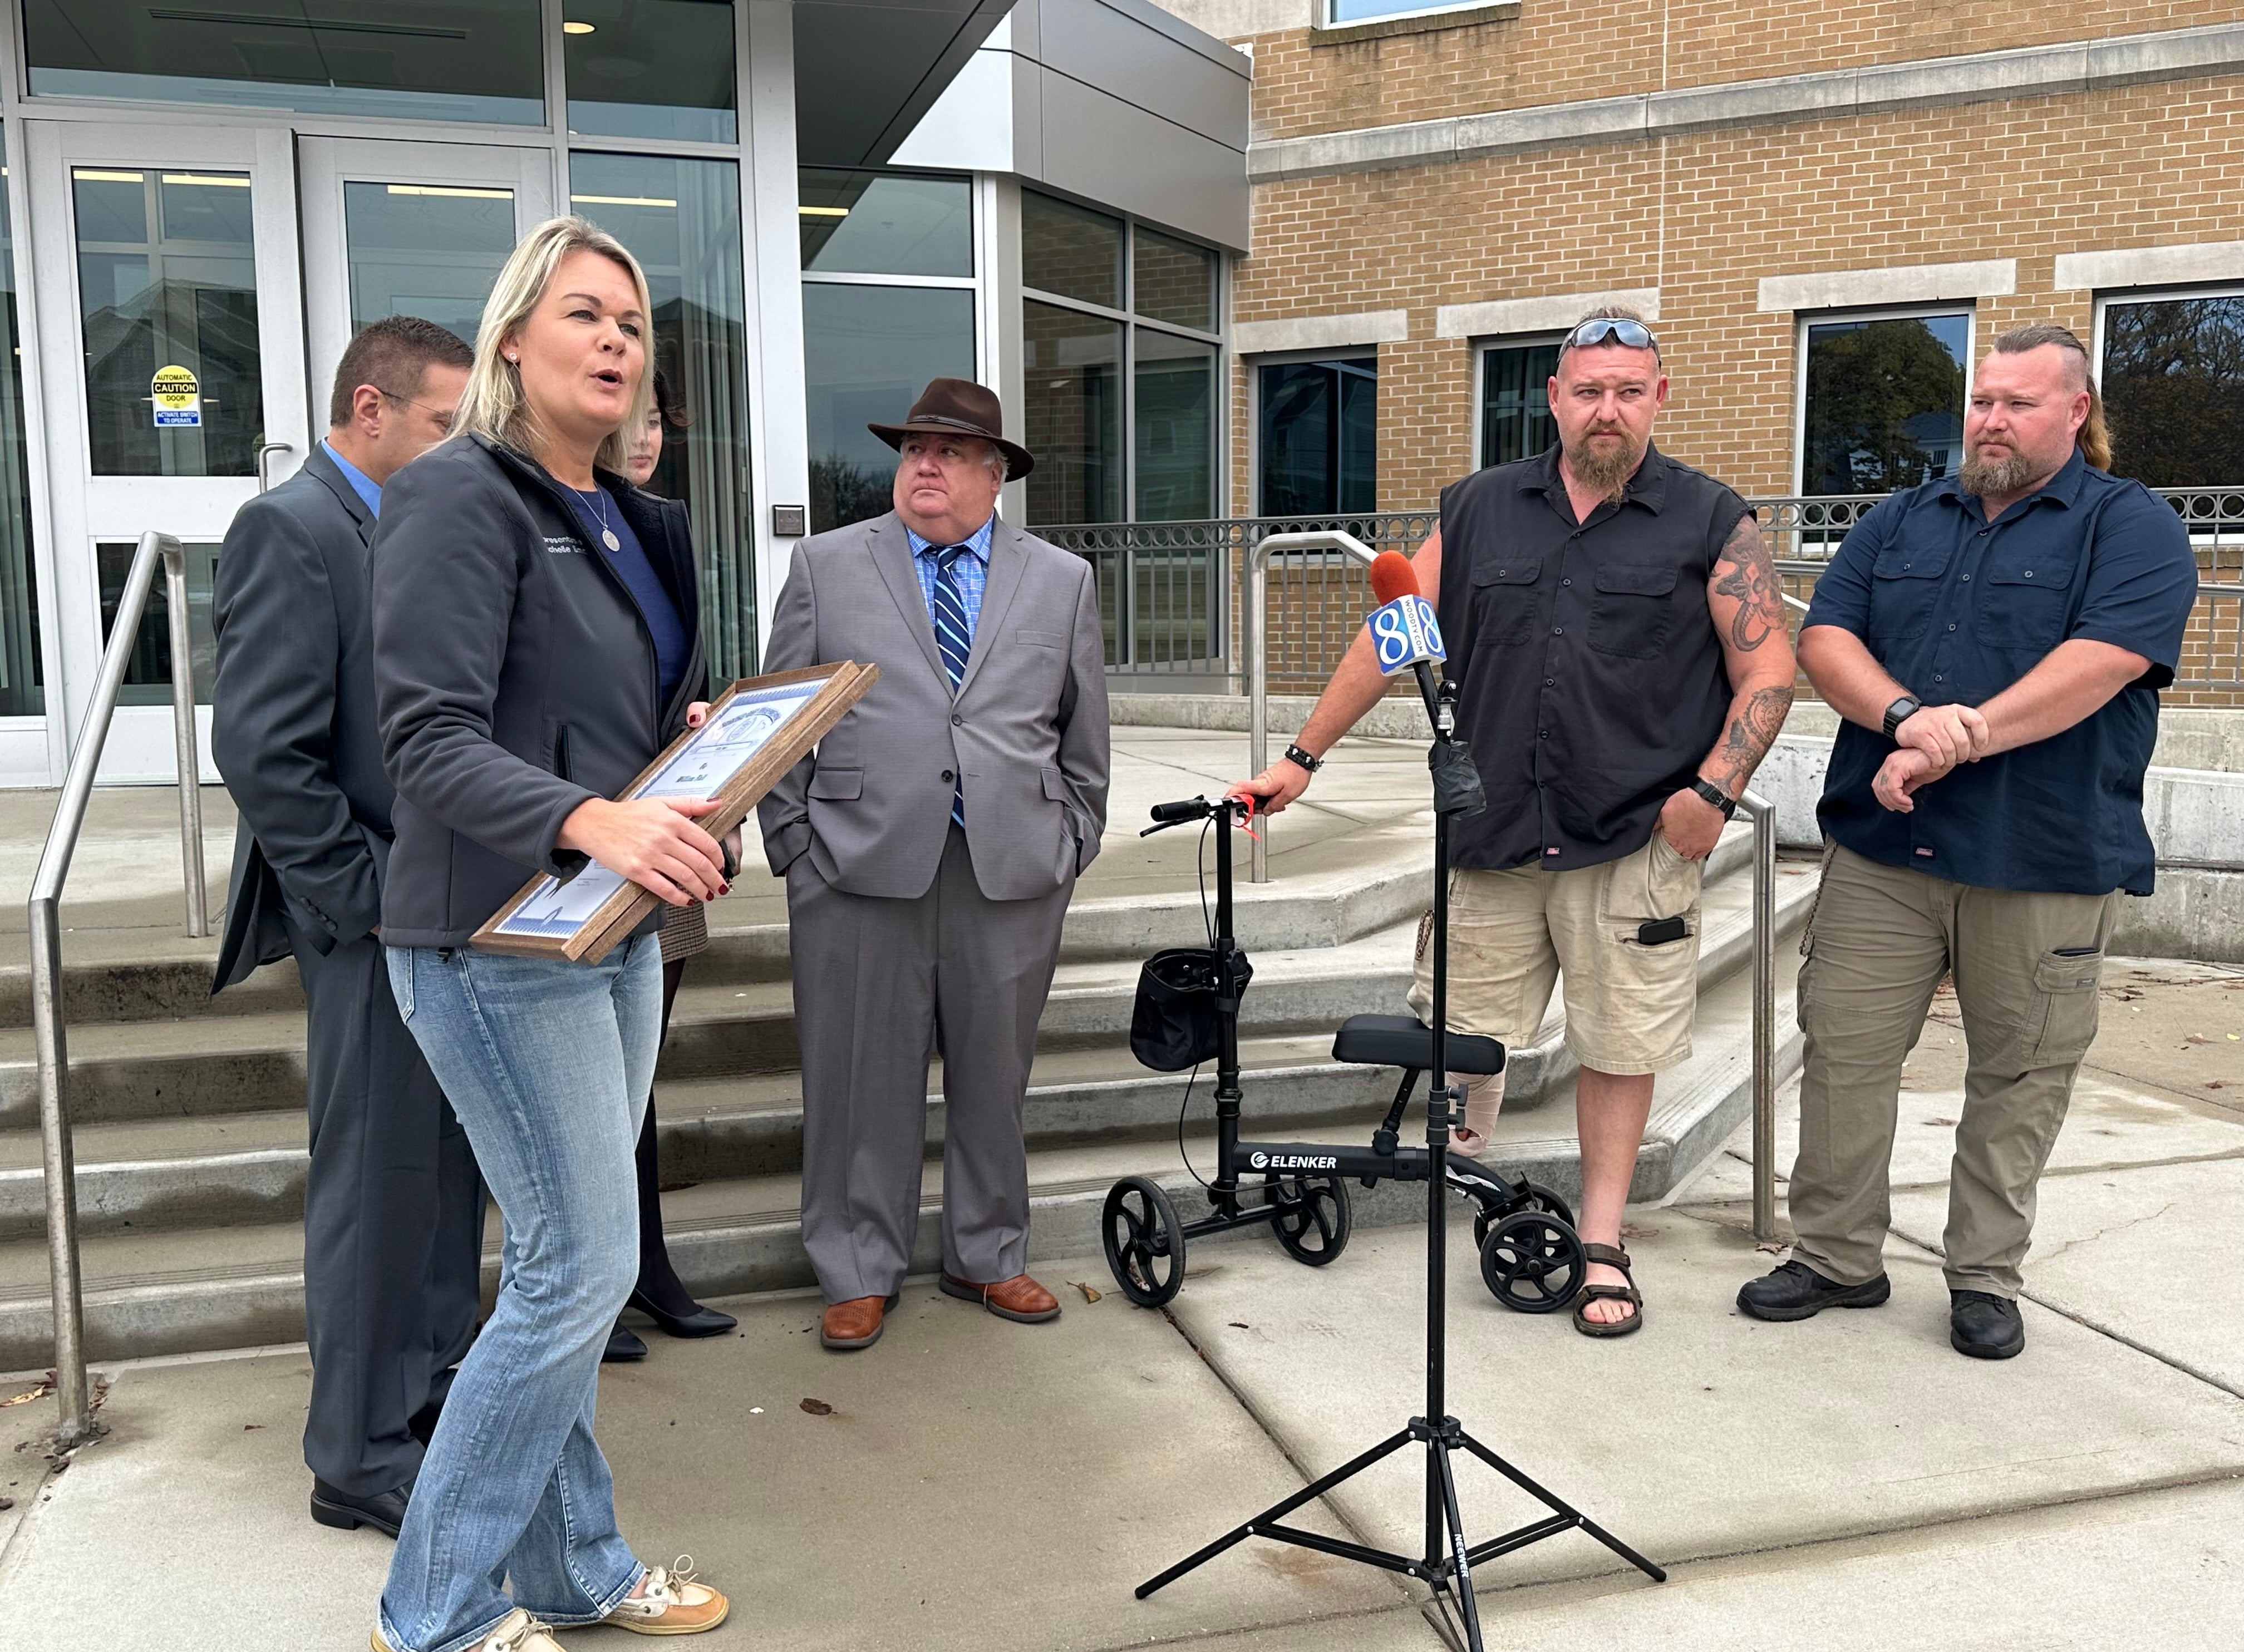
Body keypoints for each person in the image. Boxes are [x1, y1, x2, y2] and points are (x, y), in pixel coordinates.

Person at [1231, 307, 1797, 1338]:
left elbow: (1768, 666)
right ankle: (1465, 1191)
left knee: (1621, 1044)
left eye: (1629, 391)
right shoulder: (1482, 509)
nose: (1608, 410)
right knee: (1458, 1036)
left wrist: (1711, 794)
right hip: (1492, 834)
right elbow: (1393, 632)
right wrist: (1302, 757)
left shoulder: (1711, 520)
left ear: (1658, 399)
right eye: (1588, 390)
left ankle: (1602, 1241)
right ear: (1554, 397)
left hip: (1633, 837)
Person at [367, 217, 730, 1652]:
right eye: (585, 315)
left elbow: (594, 716)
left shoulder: (635, 519)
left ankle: (576, 1567)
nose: (616, 343)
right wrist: (598, 816)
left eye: (634, 324)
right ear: (515, 336)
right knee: (581, 1266)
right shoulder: (462, 498)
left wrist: (685, 751)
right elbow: (427, 740)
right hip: (485, 936)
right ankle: (437, 1606)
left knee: (568, 1265)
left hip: (609, 928)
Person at [1737, 324, 2198, 1360]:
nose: (1989, 420)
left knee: (2021, 1072)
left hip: (2044, 856)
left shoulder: (2132, 529)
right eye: (1982, 400)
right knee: (1846, 1051)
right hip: (1885, 853)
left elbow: (2106, 660)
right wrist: (1907, 720)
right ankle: (1835, 1256)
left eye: (2018, 403)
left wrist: (1963, 738)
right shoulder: (1899, 520)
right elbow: (1825, 639)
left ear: (2076, 412)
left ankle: (1985, 1275)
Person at [757, 376, 1110, 1354]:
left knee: (995, 1076)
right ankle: (856, 1268)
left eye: (951, 453)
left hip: (1012, 868)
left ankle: (988, 1254)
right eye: (915, 449)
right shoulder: (829, 565)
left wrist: (1072, 838)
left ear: (996, 476)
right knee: (857, 1076)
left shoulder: (1061, 579)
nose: (925, 465)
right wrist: (796, 851)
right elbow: (778, 723)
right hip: (856, 864)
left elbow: (1084, 735)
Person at [211, 316, 478, 1540]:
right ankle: (356, 1455)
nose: (453, 447)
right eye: (439, 424)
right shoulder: (296, 528)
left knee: (436, 1183)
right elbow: (266, 752)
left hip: (444, 919)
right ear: (371, 412)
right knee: (377, 1187)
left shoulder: (412, 525)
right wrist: (367, 908)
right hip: (371, 927)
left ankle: (418, 1402)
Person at [604, 367, 738, 1365]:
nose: (645, 434)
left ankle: (646, 1268)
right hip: (576, 845)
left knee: (636, 1075)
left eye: (657, 418)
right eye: (632, 417)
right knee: (587, 1088)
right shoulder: (537, 520)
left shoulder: (661, 529)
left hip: (664, 841)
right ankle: (594, 1284)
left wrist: (699, 731)